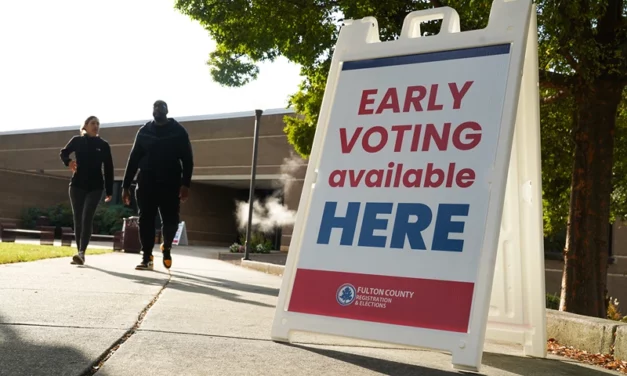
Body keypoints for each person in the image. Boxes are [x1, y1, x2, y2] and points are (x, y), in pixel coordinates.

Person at [122, 100, 194, 271]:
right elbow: (133, 160)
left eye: (161, 107)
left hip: (170, 183)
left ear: (167, 111)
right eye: (155, 107)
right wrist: (125, 185)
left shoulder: (178, 131)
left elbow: (188, 160)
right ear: (152, 111)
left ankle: (166, 246)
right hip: (146, 182)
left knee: (171, 221)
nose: (158, 110)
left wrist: (185, 185)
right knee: (145, 219)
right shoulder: (144, 132)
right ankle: (147, 257)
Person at [59, 116, 114, 265]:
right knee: (78, 219)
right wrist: (69, 162)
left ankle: (82, 252)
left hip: (95, 187)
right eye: (92, 123)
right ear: (85, 126)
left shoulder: (103, 145)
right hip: (77, 186)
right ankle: (80, 253)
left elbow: (109, 168)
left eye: (98, 123)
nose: (96, 126)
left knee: (87, 217)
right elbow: (63, 153)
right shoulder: (77, 141)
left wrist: (109, 190)